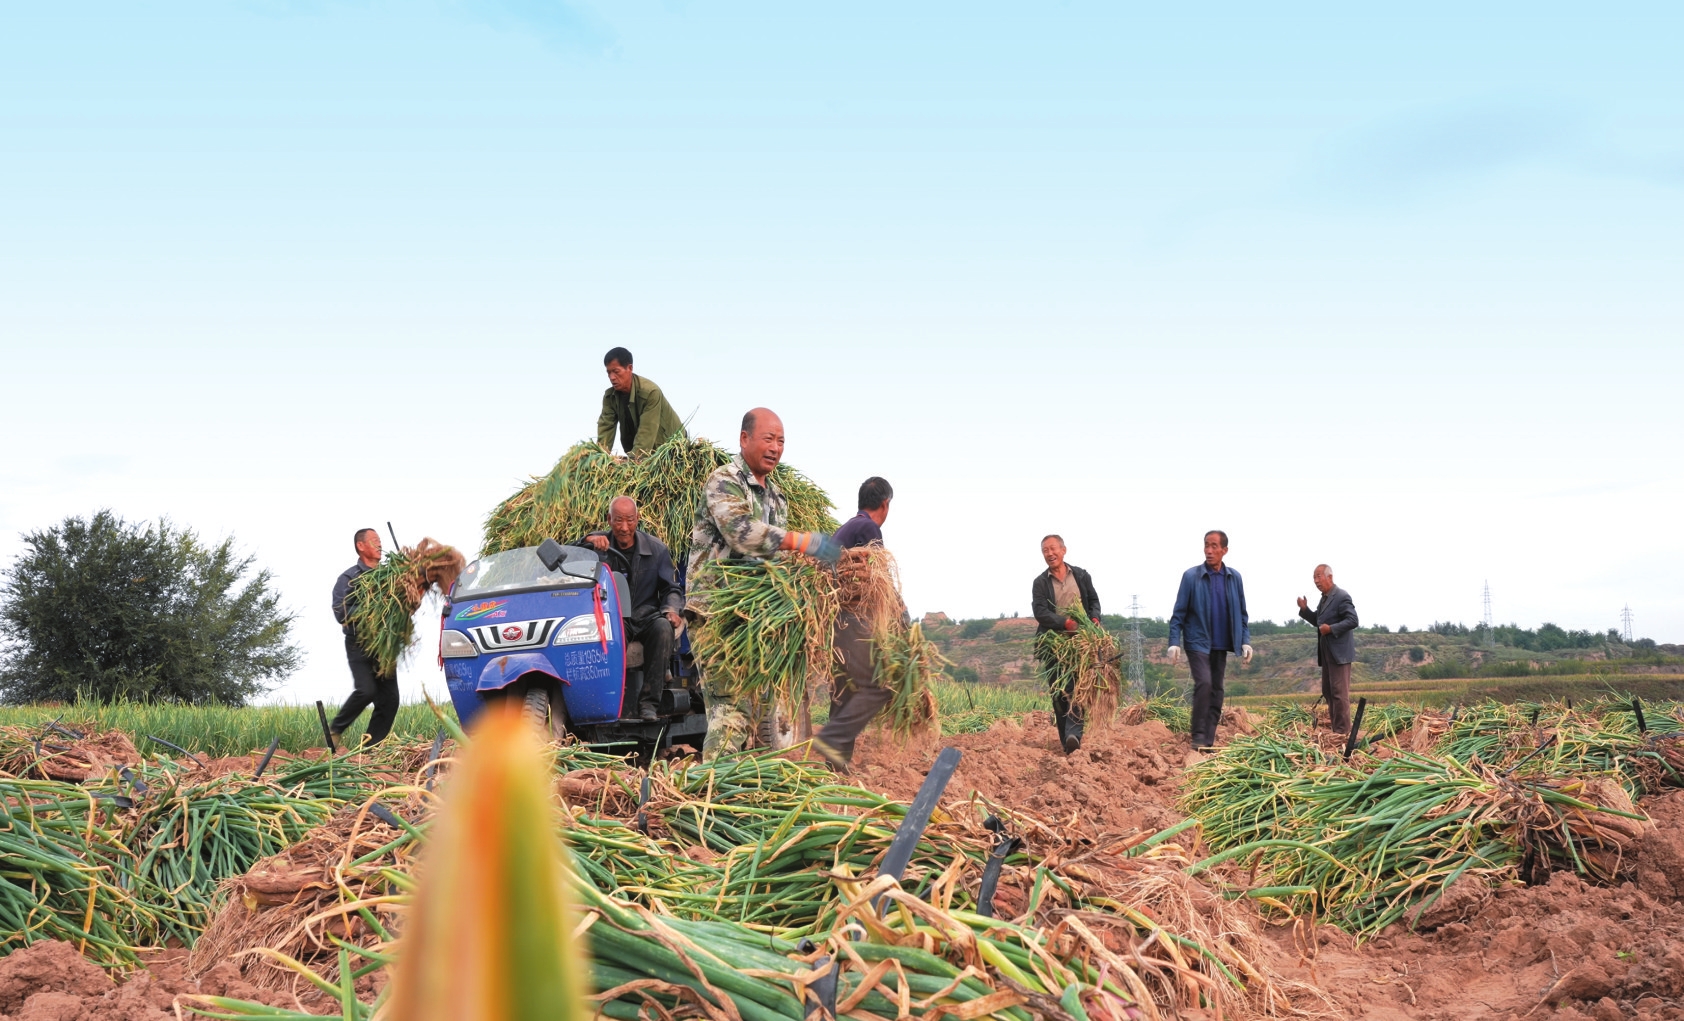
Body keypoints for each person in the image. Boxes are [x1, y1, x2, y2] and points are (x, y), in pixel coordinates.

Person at [688, 408, 840, 759]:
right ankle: (713, 783)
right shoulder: (724, 480)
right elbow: (741, 532)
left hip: (752, 616)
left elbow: (773, 560)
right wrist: (799, 541)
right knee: (731, 709)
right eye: (768, 439)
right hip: (716, 611)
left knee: (754, 710)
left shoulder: (776, 496)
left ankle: (737, 781)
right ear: (744, 439)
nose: (775, 447)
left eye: (781, 441)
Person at [813, 477, 897, 771]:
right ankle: (832, 738)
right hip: (849, 621)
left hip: (833, 621)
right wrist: (899, 617)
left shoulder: (848, 527)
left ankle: (835, 764)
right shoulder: (868, 528)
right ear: (885, 504)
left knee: (844, 690)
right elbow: (880, 582)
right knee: (879, 687)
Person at [578, 496, 684, 722]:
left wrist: (671, 609)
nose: (624, 527)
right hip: (615, 617)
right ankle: (609, 701)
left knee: (662, 628)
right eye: (618, 521)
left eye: (629, 520)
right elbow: (568, 555)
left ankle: (649, 704)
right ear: (609, 520)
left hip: (646, 615)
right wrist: (587, 540)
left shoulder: (656, 549)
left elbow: (671, 588)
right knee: (606, 636)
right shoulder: (596, 545)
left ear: (638, 519)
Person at [1168, 530, 1253, 751]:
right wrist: (1174, 641)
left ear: (1225, 550)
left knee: (1217, 689)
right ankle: (1197, 736)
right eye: (1206, 545)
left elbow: (1242, 613)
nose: (1209, 550)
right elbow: (1179, 612)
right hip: (1197, 640)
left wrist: (1245, 640)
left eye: (1214, 546)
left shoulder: (1234, 578)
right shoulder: (1191, 577)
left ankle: (1208, 739)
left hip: (1222, 642)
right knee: (1204, 683)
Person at [1030, 534, 1101, 755]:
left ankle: (1074, 734)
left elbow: (1094, 601)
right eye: (1045, 551)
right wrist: (1065, 623)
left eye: (1053, 549)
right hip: (1053, 644)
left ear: (1063, 550)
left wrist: (1094, 618)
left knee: (1077, 687)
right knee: (1058, 692)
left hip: (1080, 642)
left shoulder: (1081, 575)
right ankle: (1067, 741)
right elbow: (1040, 612)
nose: (1049, 554)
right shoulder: (1040, 583)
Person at [329, 528, 399, 747]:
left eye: (380, 541)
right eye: (375, 541)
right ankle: (335, 730)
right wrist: (373, 609)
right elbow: (341, 612)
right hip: (359, 643)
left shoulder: (390, 576)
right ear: (361, 546)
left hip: (385, 645)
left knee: (390, 699)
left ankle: (370, 747)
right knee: (366, 690)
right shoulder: (349, 578)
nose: (380, 545)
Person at [1297, 564, 1359, 734]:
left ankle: (1342, 732)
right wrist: (1304, 609)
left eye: (1319, 576)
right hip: (1327, 653)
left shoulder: (1341, 596)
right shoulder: (1324, 598)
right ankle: (1336, 729)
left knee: (1339, 692)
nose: (1316, 581)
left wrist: (1331, 629)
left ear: (1329, 577)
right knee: (1329, 691)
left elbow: (1353, 620)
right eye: (1314, 577)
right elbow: (1318, 621)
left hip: (1339, 654)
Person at [595, 347, 687, 457]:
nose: (611, 377)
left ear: (630, 368)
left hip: (671, 447)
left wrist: (634, 459)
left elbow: (647, 430)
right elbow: (606, 428)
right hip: (643, 450)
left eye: (616, 372)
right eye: (608, 372)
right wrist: (599, 458)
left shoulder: (650, 392)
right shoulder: (610, 397)